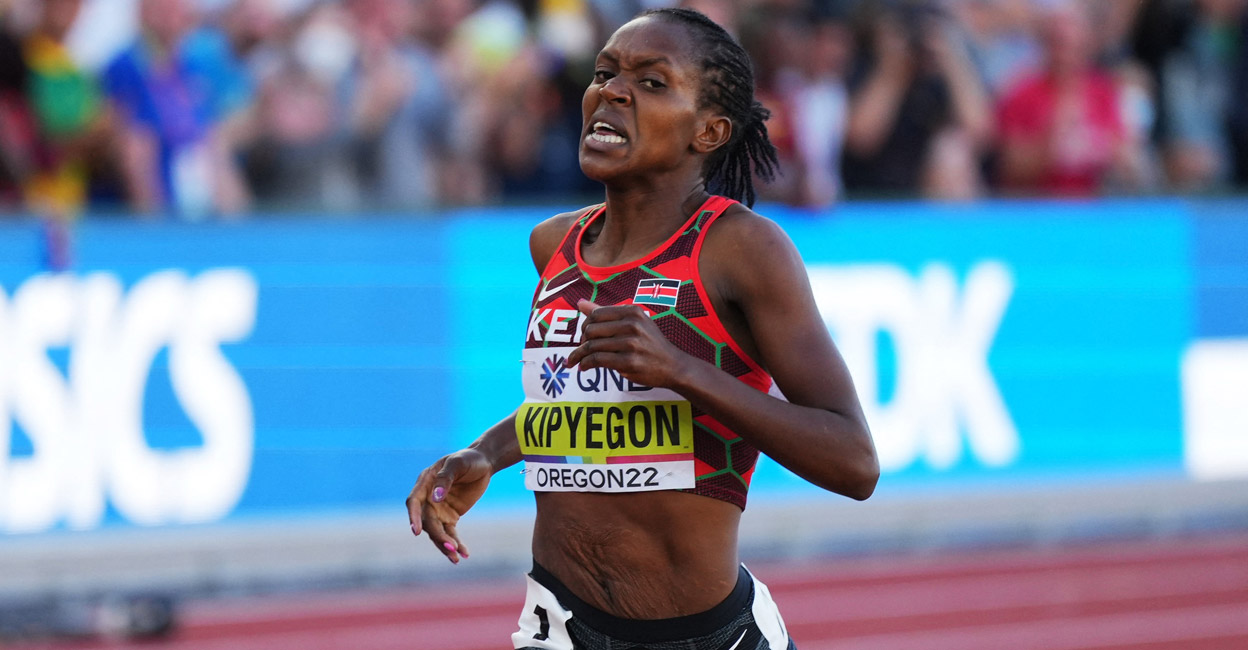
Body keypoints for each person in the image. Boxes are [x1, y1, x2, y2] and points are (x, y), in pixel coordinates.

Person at [406, 8, 878, 650]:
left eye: (652, 82)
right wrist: (486, 452)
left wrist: (680, 369)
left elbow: (854, 462)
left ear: (708, 130)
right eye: (604, 73)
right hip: (561, 625)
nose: (613, 91)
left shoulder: (740, 249)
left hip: (708, 636)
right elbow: (578, 403)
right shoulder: (554, 246)